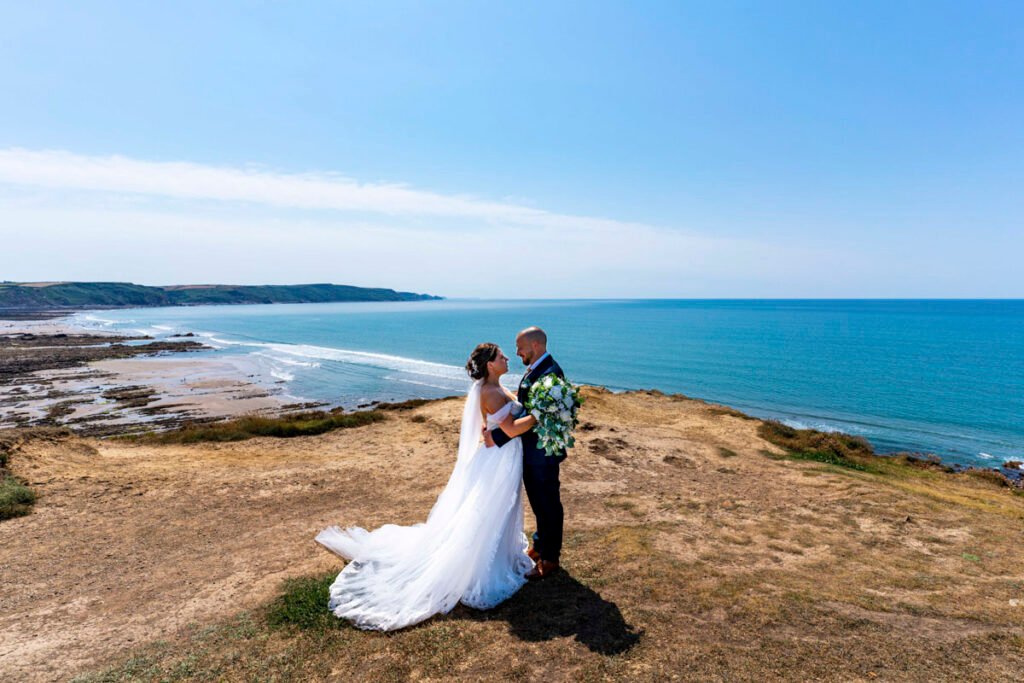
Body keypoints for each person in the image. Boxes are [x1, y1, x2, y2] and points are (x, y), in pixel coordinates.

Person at [314, 342, 539, 631]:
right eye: (501, 356)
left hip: (501, 456)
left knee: (498, 508)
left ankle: (498, 554)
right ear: (490, 364)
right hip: (497, 461)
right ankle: (480, 564)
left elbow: (499, 425)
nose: (507, 358)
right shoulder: (491, 392)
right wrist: (540, 417)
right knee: (489, 509)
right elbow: (510, 429)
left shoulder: (496, 387)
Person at [484, 326, 566, 580]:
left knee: (548, 505)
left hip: (543, 454)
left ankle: (550, 558)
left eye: (521, 348)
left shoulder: (551, 375)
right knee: (539, 504)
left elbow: (540, 418)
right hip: (530, 453)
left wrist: (496, 436)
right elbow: (526, 411)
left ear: (536, 346)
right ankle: (540, 546)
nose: (517, 352)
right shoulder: (537, 370)